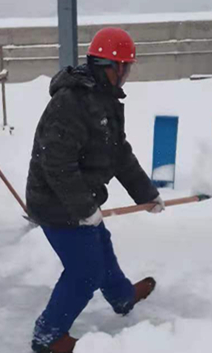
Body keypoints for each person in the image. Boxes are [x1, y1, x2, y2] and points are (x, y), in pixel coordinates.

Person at [25, 27, 166, 353]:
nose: (127, 75)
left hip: (78, 198)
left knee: (101, 247)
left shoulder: (105, 99)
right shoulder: (70, 103)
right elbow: (57, 165)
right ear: (111, 67)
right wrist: (84, 209)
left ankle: (122, 297)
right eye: (126, 68)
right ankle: (47, 336)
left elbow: (118, 153)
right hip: (55, 203)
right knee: (85, 271)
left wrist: (146, 193)